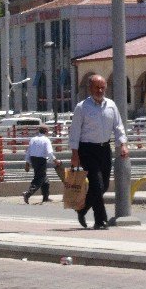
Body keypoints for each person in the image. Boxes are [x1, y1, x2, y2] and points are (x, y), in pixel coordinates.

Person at [68, 74, 128, 230]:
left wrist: (122, 144)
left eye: (102, 87)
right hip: (87, 149)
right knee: (97, 185)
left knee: (104, 185)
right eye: (97, 87)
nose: (100, 90)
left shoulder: (111, 105)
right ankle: (101, 220)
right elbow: (75, 131)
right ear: (90, 88)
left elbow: (118, 127)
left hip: (104, 149)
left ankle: (82, 209)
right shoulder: (82, 107)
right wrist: (75, 154)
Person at [23, 125, 56, 204]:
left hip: (33, 160)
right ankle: (28, 193)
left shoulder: (33, 139)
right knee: (39, 178)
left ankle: (45, 197)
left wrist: (27, 163)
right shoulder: (46, 140)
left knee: (45, 180)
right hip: (41, 160)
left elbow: (28, 152)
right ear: (46, 132)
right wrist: (55, 160)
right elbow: (49, 152)